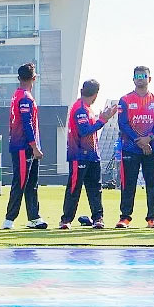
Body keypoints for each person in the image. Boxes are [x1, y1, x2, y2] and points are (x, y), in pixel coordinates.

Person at [60, 79, 116, 229]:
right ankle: (66, 220)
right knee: (75, 187)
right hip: (79, 155)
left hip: (92, 155)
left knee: (95, 188)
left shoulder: (86, 108)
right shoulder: (80, 109)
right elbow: (84, 131)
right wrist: (103, 120)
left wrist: (100, 119)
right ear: (96, 94)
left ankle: (98, 218)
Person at [115, 66, 154, 228]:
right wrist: (139, 140)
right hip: (130, 147)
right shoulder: (125, 100)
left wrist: (148, 139)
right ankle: (125, 218)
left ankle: (153, 218)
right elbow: (123, 124)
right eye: (137, 76)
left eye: (144, 75)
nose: (140, 78)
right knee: (128, 183)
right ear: (133, 79)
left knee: (153, 184)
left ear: (149, 79)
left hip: (152, 148)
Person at [3, 63, 46, 229]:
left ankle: (34, 217)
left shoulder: (18, 94)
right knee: (20, 181)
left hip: (23, 145)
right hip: (23, 146)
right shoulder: (25, 97)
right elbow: (27, 123)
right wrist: (34, 146)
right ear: (34, 78)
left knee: (31, 182)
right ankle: (9, 219)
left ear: (19, 78)